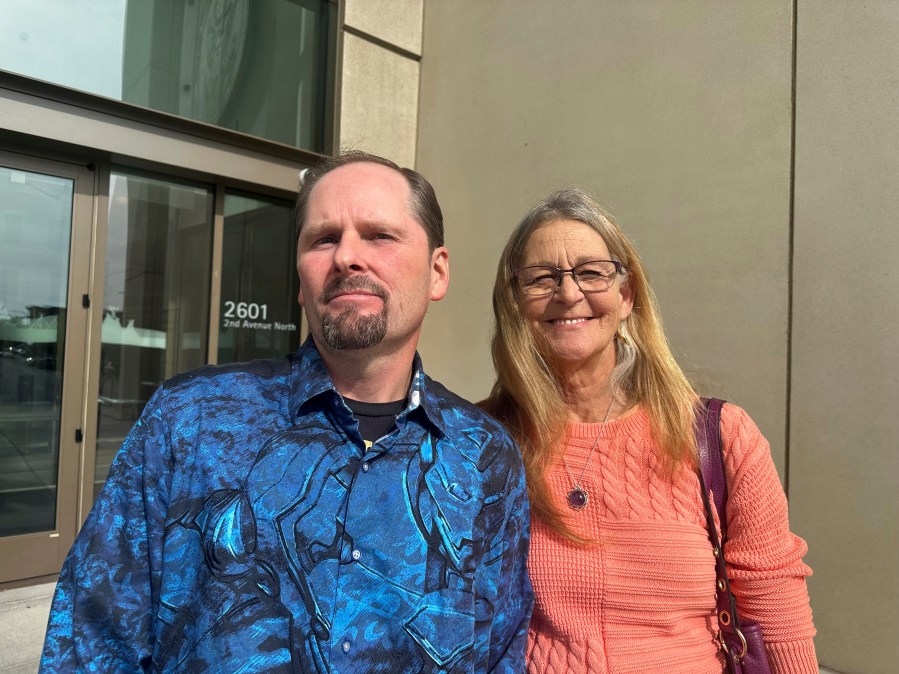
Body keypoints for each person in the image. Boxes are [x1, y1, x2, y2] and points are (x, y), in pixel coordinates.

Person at [41, 151, 533, 673]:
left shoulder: (484, 458)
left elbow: (500, 651)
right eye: (323, 239)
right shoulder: (190, 421)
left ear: (437, 272)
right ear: (301, 283)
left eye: (379, 236)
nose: (347, 257)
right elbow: (92, 643)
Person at [480, 188, 817, 673]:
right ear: (515, 301)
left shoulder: (719, 437)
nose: (569, 293)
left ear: (627, 295)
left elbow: (775, 599)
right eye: (541, 278)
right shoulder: (477, 442)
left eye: (591, 272)